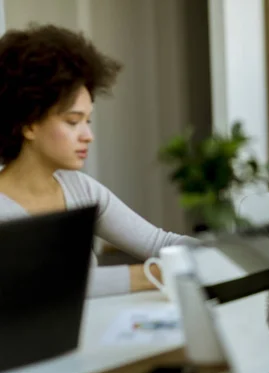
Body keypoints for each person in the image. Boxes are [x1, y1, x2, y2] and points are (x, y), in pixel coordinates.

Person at [0, 24, 199, 298]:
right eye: (73, 121)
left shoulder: (80, 188)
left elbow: (159, 242)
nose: (88, 136)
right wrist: (147, 275)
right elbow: (43, 286)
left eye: (88, 121)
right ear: (29, 124)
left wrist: (233, 254)